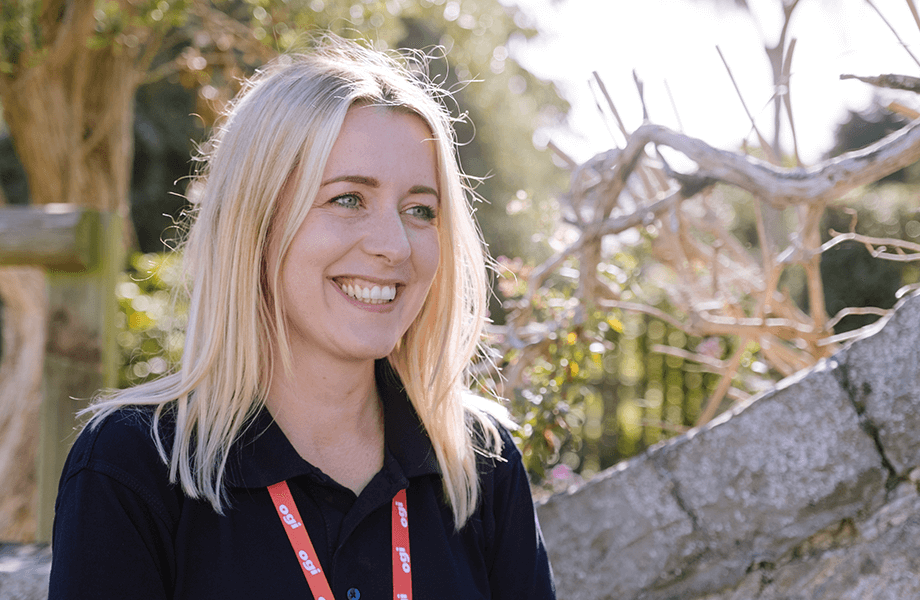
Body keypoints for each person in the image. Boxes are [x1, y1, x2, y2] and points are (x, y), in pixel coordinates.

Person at [48, 35, 556, 600]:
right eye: (348, 199)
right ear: (256, 220)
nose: (395, 245)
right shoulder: (134, 467)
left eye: (420, 210)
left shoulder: (478, 462)